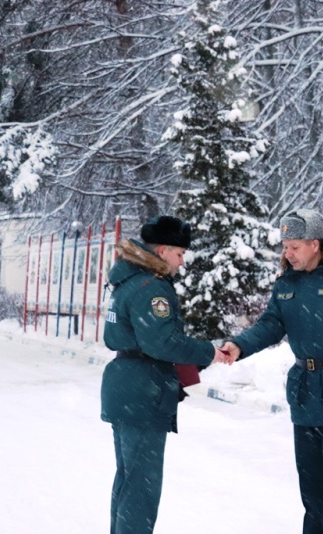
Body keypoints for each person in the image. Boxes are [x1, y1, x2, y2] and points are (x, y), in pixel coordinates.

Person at [216, 209, 323, 534]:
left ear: (314, 244)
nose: (288, 253)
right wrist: (239, 345)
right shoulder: (287, 282)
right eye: (285, 247)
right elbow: (270, 324)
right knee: (310, 487)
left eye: (294, 246)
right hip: (304, 393)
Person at [100, 215, 215, 534]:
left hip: (127, 386)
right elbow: (162, 343)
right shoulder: (151, 287)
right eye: (180, 254)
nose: (182, 261)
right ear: (163, 250)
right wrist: (208, 351)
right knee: (141, 490)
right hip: (143, 392)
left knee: (129, 480)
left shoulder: (129, 280)